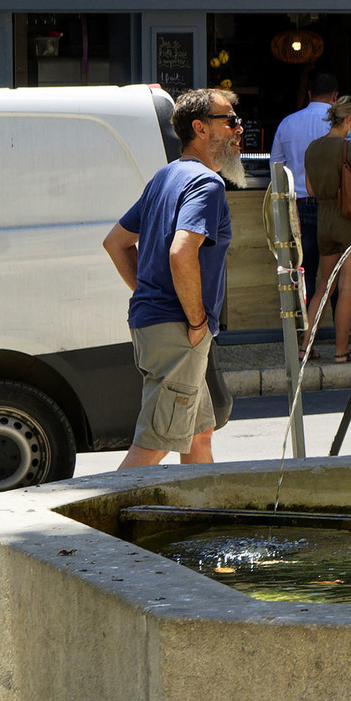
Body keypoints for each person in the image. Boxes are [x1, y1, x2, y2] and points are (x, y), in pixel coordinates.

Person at [101, 88, 241, 468]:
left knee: (198, 437)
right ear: (200, 128)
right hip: (179, 330)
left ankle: (203, 522)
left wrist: (150, 293)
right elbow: (181, 252)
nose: (238, 129)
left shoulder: (166, 177)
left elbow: (116, 243)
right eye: (229, 120)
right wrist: (195, 319)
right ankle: (95, 525)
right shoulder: (206, 184)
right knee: (155, 444)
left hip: (156, 324)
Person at [302, 96, 351, 362]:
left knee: (323, 286)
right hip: (349, 222)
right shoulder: (349, 149)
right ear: (349, 120)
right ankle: (341, 351)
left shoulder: (312, 148)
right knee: (347, 288)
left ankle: (306, 348)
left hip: (324, 221)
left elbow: (311, 190)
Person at [269, 71, 338, 302]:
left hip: (297, 207)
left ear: (309, 94)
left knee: (303, 269)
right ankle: (343, 332)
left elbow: (276, 169)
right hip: (332, 206)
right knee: (334, 272)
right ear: (335, 96)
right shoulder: (340, 126)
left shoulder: (287, 123)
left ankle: (303, 332)